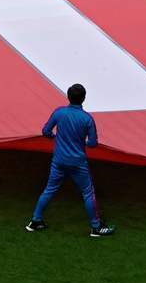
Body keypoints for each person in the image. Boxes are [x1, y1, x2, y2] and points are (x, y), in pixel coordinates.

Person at [27, 83, 115, 237]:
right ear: (84, 98)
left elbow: (46, 131)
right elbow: (93, 143)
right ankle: (96, 227)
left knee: (49, 189)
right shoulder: (87, 119)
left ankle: (35, 221)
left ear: (68, 96)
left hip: (59, 160)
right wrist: (83, 143)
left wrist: (56, 138)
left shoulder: (59, 113)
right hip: (77, 163)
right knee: (88, 192)